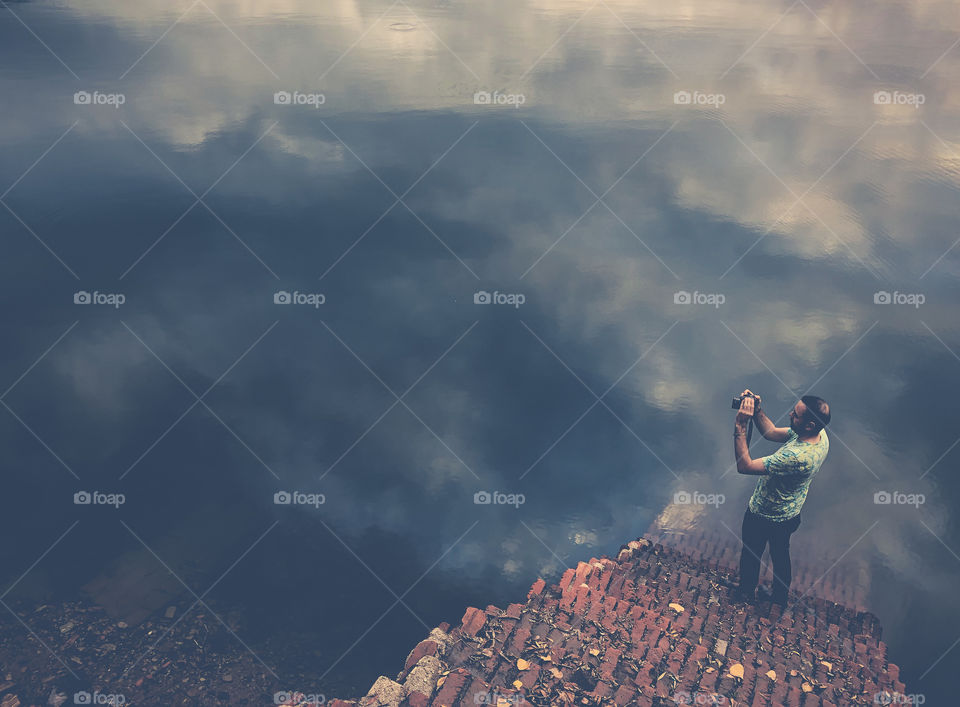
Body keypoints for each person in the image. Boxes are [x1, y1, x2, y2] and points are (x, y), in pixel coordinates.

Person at [730, 390, 830, 605]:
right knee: (780, 556)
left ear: (809, 424)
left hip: (765, 514)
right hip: (790, 513)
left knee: (751, 553)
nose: (790, 416)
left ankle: (746, 593)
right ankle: (779, 598)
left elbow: (744, 466)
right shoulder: (818, 436)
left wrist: (740, 425)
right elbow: (771, 432)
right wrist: (757, 411)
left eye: (795, 415)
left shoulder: (796, 456)